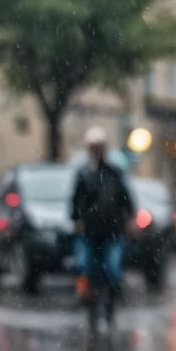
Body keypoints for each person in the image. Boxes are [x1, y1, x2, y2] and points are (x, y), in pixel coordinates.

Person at [70, 127, 134, 327]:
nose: (96, 151)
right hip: (90, 231)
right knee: (85, 267)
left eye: (99, 147)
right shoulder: (83, 174)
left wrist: (128, 219)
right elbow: (75, 202)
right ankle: (88, 303)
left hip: (113, 231)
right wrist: (77, 220)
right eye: (93, 147)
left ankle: (111, 307)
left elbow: (127, 200)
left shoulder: (115, 174)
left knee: (113, 269)